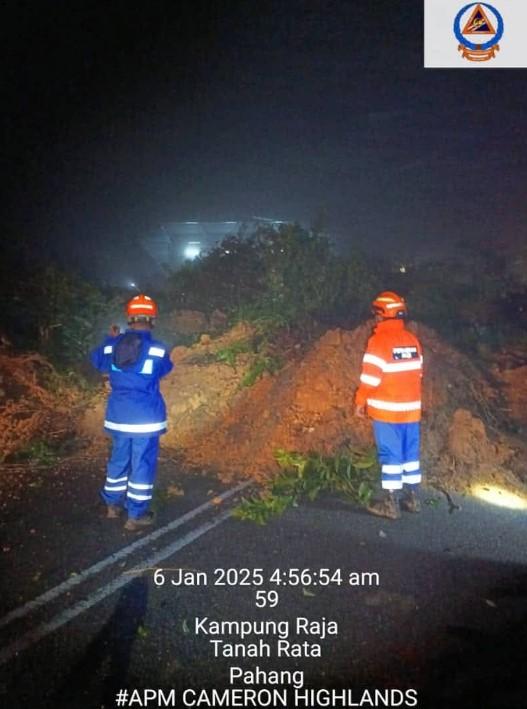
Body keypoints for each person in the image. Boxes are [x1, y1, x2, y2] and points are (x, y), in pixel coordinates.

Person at [90, 294, 173, 531]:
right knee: (142, 464)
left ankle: (112, 505)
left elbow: (97, 361)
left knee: (118, 459)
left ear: (129, 318)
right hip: (145, 418)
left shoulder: (112, 345)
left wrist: (110, 338)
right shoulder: (157, 349)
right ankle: (135, 514)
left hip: (119, 416)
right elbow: (165, 369)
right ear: (152, 320)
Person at [355, 291, 423, 519]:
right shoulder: (413, 341)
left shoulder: (379, 342)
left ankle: (390, 503)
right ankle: (413, 498)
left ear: (381, 315)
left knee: (390, 455)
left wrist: (359, 401)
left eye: (375, 314)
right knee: (410, 453)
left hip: (387, 411)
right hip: (411, 411)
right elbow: (419, 373)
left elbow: (370, 379)